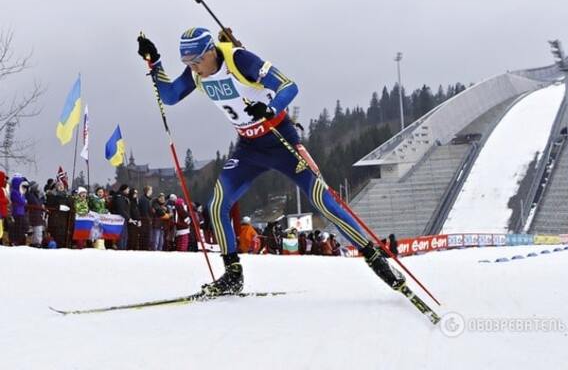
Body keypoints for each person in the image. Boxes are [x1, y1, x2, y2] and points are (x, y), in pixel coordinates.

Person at [137, 28, 404, 296]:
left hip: (280, 139)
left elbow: (289, 86)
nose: (194, 69)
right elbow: (170, 96)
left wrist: (270, 108)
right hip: (249, 147)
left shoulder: (239, 60)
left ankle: (375, 258)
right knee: (216, 205)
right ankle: (232, 274)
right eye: (188, 64)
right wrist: (155, 62)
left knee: (323, 200)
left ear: (210, 51)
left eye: (196, 61)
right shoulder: (197, 72)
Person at [111, 184, 131, 250]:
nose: (129, 190)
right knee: (122, 235)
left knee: (125, 235)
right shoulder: (120, 197)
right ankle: (121, 249)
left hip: (124, 218)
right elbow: (121, 210)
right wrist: (128, 218)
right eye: (128, 189)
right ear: (124, 189)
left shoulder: (124, 197)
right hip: (120, 219)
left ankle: (123, 248)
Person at [26, 182, 46, 248]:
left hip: (37, 216)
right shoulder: (31, 195)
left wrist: (42, 198)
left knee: (38, 231)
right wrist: (42, 199)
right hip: (34, 216)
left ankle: (37, 242)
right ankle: (36, 243)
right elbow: (37, 203)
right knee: (36, 231)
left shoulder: (35, 195)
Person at [138, 186, 153, 250]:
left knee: (145, 236)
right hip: (145, 222)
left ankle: (145, 247)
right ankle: (144, 248)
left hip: (145, 221)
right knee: (145, 236)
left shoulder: (146, 199)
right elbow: (145, 211)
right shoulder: (144, 200)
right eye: (151, 190)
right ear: (148, 191)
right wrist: (149, 220)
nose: (152, 191)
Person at [0, 171, 8, 246]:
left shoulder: (2, 189)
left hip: (2, 213)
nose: (5, 181)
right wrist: (5, 200)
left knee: (2, 229)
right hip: (0, 212)